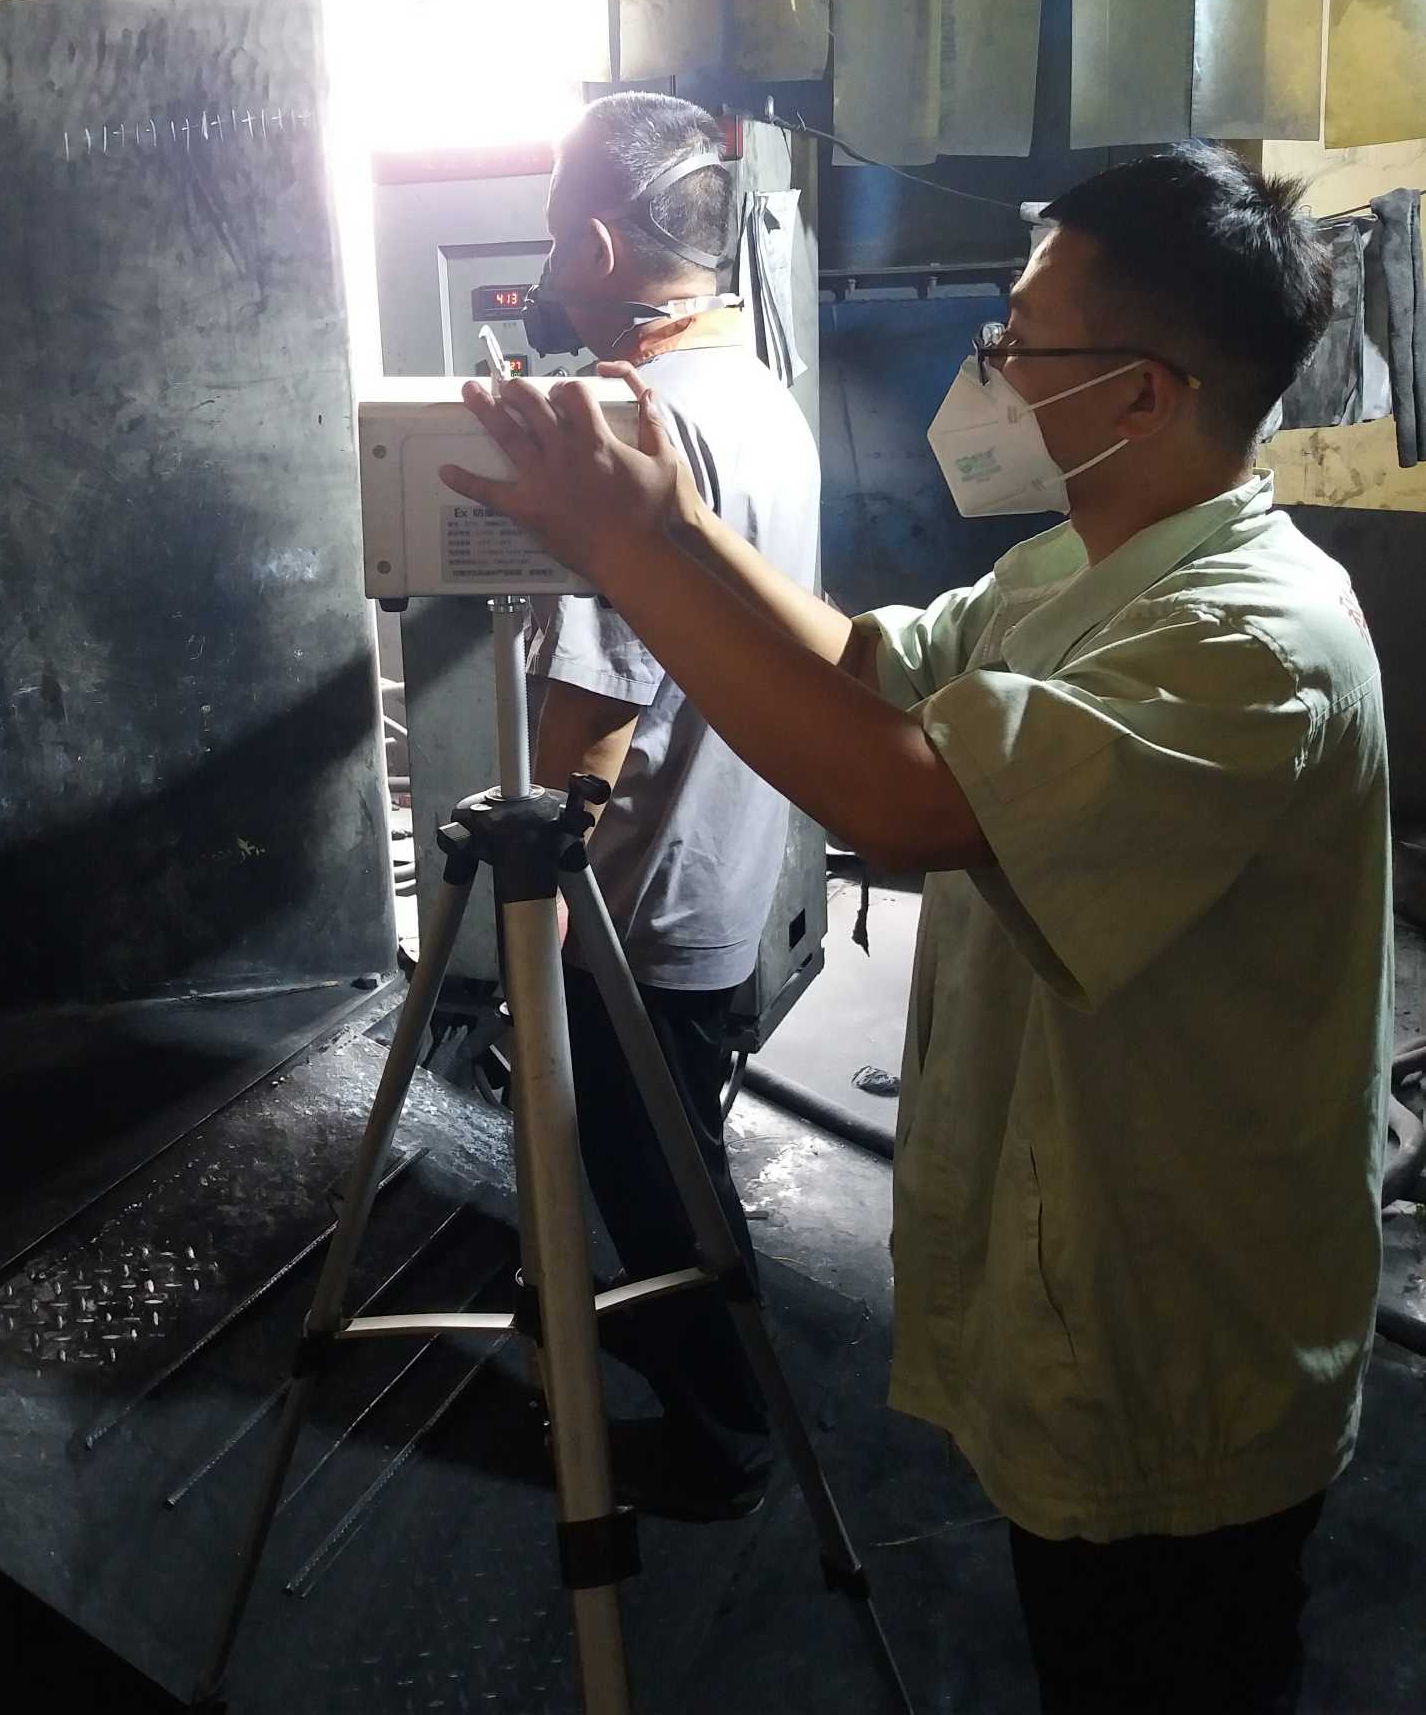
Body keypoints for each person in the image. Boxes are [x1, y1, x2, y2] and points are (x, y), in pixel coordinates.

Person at [444, 145, 1392, 1714]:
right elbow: (870, 669)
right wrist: (675, 525)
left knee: (1172, 1666)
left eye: (1026, 336)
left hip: (1186, 1324)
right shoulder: (1072, 567)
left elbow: (906, 803)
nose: (995, 363)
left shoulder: (1249, 641)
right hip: (1090, 1275)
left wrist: (619, 561)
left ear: (1143, 393)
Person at [520, 92, 821, 1521]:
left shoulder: (628, 422)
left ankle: (725, 1439)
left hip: (638, 889)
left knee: (660, 1181)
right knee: (673, 1143)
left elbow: (598, 700)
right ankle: (667, 1339)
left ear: (593, 245)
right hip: (728, 846)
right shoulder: (751, 389)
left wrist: (538, 886)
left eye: (550, 236)